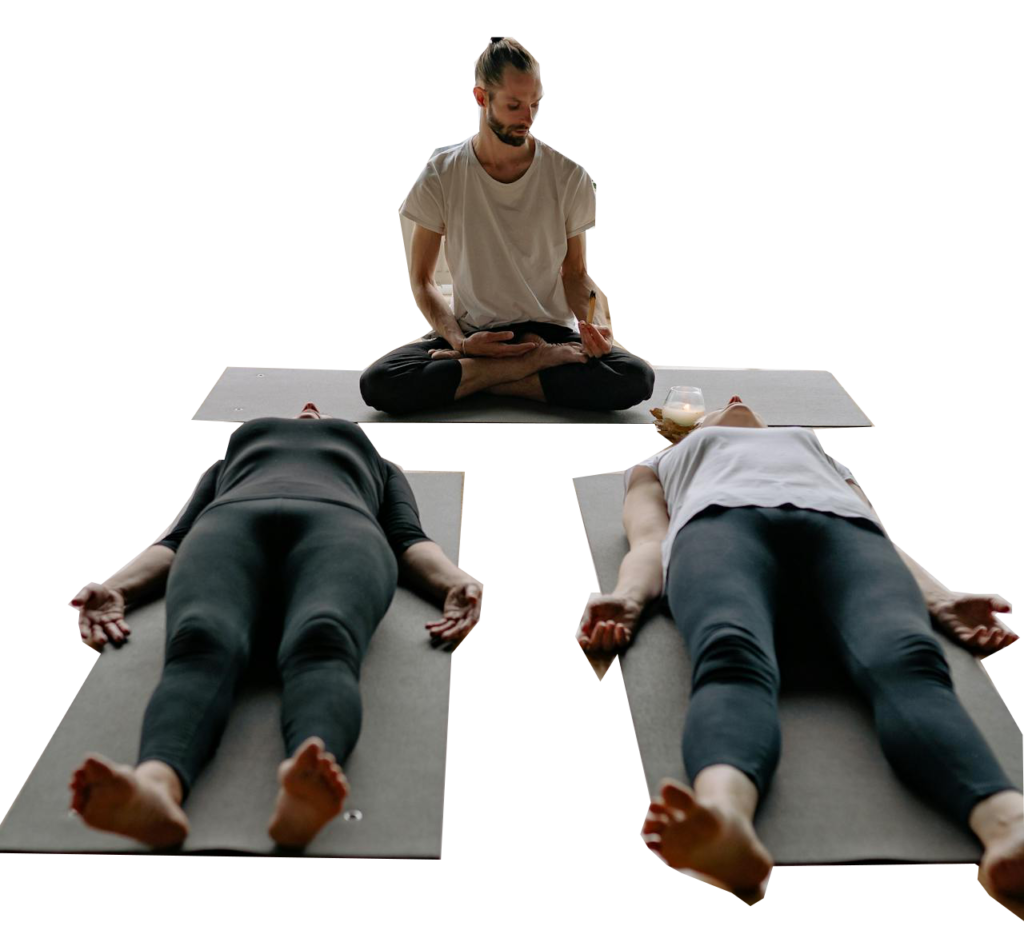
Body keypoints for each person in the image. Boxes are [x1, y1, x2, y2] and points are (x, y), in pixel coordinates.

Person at [577, 394, 1024, 904]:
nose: (737, 400)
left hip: (845, 536)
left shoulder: (823, 455)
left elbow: (882, 534)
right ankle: (724, 819)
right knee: (730, 656)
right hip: (719, 528)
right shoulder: (658, 463)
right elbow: (650, 541)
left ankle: (1009, 826)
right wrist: (628, 597)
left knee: (910, 663)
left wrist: (940, 599)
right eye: (721, 406)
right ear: (684, 433)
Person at [66, 402, 483, 850]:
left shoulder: (382, 464)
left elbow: (408, 538)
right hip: (230, 524)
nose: (307, 406)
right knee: (200, 637)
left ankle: (304, 784)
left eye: (318, 408)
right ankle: (155, 787)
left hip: (340, 527)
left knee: (324, 636)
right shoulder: (226, 462)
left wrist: (456, 581)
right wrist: (115, 588)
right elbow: (174, 538)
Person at [361, 36, 655, 415]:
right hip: (474, 334)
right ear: (481, 98)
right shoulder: (441, 174)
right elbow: (422, 280)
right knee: (379, 382)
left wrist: (596, 324)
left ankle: (476, 381)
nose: (528, 117)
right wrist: (460, 343)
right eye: (514, 105)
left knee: (634, 377)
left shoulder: (569, 177)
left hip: (547, 332)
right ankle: (524, 371)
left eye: (535, 104)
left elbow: (576, 274)